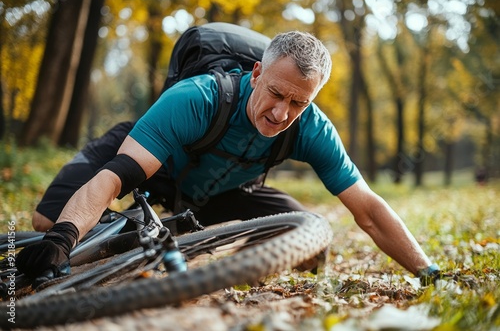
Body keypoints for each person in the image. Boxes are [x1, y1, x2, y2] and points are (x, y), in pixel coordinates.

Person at [17, 30, 440, 283]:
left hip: (227, 189)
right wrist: (62, 238)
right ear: (256, 74)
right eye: (276, 93)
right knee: (47, 223)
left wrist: (428, 272)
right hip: (157, 164)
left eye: (298, 103)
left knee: (307, 239)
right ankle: (111, 229)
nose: (281, 114)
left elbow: (367, 209)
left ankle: (172, 235)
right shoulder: (196, 98)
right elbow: (114, 178)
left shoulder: (312, 128)